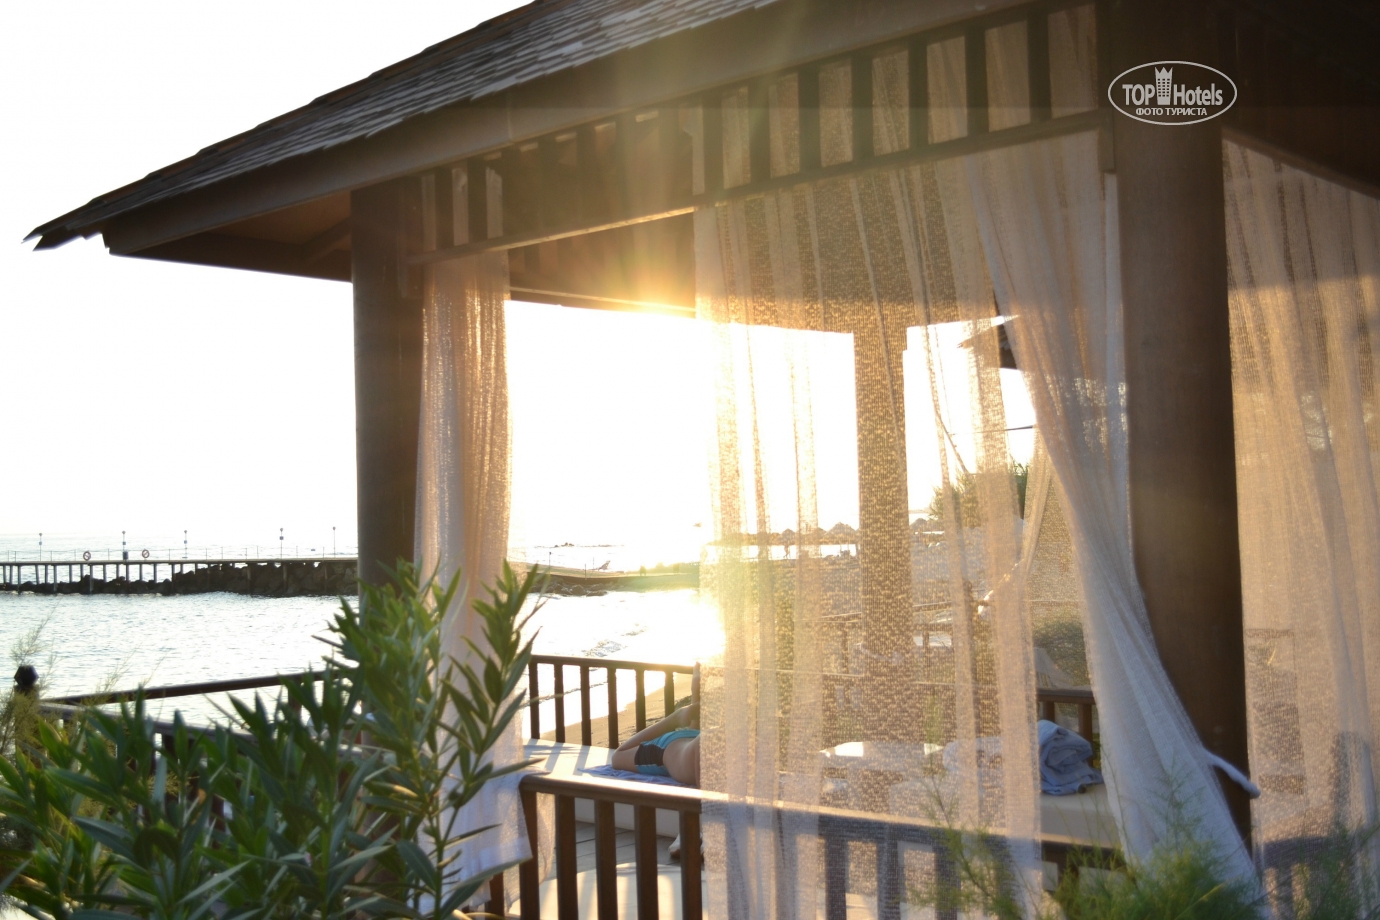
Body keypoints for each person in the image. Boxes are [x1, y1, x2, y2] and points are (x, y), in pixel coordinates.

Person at [610, 665, 700, 786]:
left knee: (692, 746)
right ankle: (676, 718)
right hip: (669, 747)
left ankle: (695, 694)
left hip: (689, 741)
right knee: (618, 757)